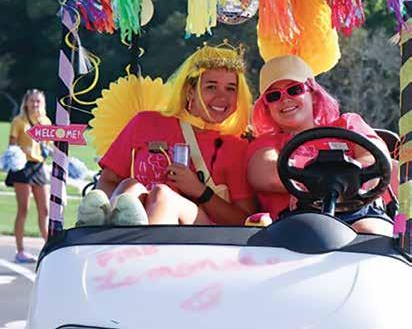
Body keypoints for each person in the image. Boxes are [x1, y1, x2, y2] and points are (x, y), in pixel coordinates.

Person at [77, 43, 256, 226]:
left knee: (162, 194)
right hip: (139, 220)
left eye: (231, 88)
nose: (222, 97)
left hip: (199, 236)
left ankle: (136, 238)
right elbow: (108, 180)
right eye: (211, 87)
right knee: (129, 186)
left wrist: (200, 191)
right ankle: (102, 225)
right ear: (190, 91)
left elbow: (245, 221)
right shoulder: (145, 122)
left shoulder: (237, 145)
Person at [246, 55, 394, 236]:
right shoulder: (267, 143)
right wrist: (327, 181)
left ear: (314, 95)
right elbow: (267, 175)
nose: (285, 100)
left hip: (359, 211)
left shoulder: (347, 124)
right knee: (309, 235)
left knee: (367, 232)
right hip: (298, 219)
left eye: (294, 90)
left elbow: (375, 159)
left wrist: (334, 185)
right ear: (266, 107)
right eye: (274, 96)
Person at [6, 89, 51, 263]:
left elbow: (48, 147)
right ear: (26, 103)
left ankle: (49, 248)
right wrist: (17, 155)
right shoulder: (19, 121)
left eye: (38, 101)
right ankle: (20, 251)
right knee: (23, 209)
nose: (35, 104)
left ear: (42, 103)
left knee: (45, 210)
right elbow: (12, 146)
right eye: (32, 101)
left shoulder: (46, 122)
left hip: (39, 167)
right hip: (22, 167)